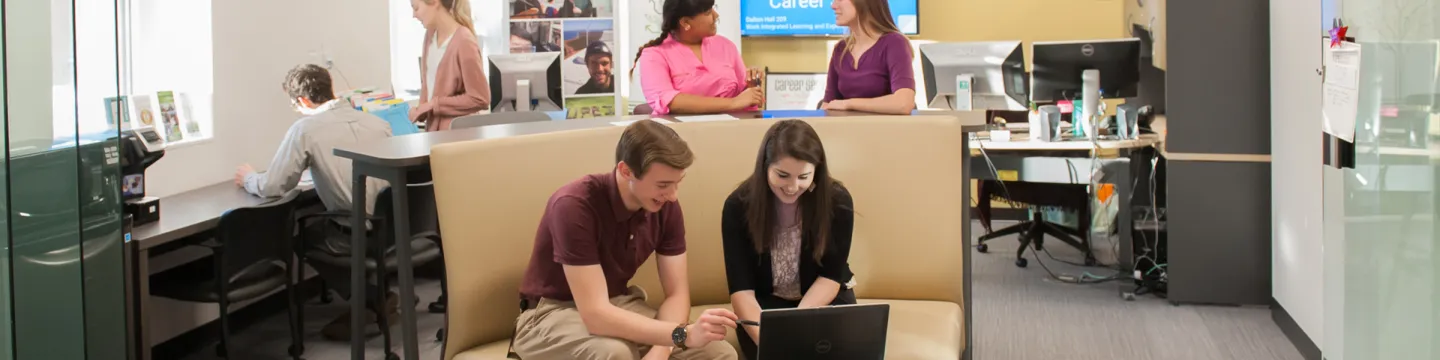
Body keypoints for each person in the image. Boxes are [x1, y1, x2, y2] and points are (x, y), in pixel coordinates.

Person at [512, 120, 740, 360]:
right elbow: (596, 314)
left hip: (616, 303)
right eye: (663, 185)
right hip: (551, 312)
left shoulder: (665, 206)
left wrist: (661, 351)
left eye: (677, 183)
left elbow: (677, 295)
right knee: (616, 354)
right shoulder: (574, 205)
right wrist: (680, 335)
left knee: (718, 353)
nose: (673, 196)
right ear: (625, 171)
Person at [235, 64, 396, 340]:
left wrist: (249, 178)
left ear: (303, 101)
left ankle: (370, 299)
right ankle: (380, 295)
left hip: (355, 234)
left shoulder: (305, 130)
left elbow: (274, 185)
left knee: (300, 237)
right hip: (392, 230)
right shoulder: (378, 123)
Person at [721, 119, 857, 360]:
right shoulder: (738, 206)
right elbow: (741, 291)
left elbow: (830, 277)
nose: (793, 187)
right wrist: (773, 339)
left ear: (817, 170)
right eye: (782, 175)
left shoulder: (837, 201)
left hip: (825, 299)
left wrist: (797, 327)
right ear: (765, 167)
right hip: (765, 307)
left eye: (803, 176)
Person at [634, 0, 763, 115]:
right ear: (685, 22)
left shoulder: (725, 45)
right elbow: (670, 101)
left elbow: (745, 99)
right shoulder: (654, 54)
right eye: (707, 12)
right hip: (676, 135)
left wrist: (751, 87)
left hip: (730, 130)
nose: (716, 15)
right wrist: (732, 103)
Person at [819, 0, 916, 115]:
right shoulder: (840, 49)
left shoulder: (894, 43)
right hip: (846, 130)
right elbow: (827, 104)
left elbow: (904, 103)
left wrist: (848, 104)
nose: (833, 6)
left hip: (885, 130)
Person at [410, 0, 492, 131]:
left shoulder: (464, 41)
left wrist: (433, 105)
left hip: (456, 138)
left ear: (434, 2)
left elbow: (480, 98)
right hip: (433, 134)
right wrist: (421, 109)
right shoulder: (429, 36)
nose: (414, 15)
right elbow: (429, 85)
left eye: (416, 8)